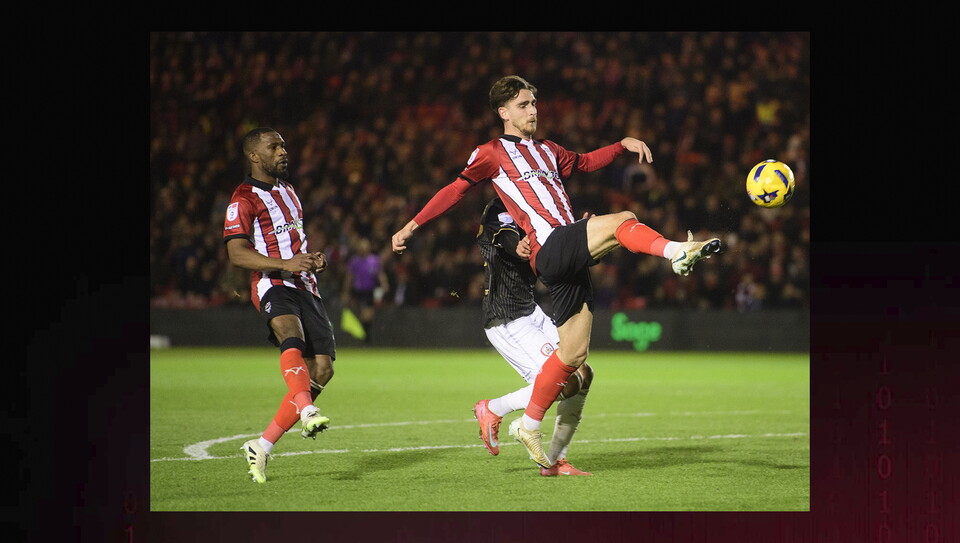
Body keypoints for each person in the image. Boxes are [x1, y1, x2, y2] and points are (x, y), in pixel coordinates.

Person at [392, 75, 720, 469]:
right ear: (503, 112)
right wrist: (411, 225)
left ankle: (543, 444)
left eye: (533, 103)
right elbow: (454, 190)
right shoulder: (492, 152)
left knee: (576, 359)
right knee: (624, 219)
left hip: (568, 260)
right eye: (523, 105)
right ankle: (677, 251)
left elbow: (584, 162)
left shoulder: (549, 150)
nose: (533, 111)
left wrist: (620, 146)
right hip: (549, 248)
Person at [223, 127, 335, 483]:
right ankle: (306, 408)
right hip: (272, 282)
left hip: (305, 285)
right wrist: (286, 265)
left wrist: (311, 259)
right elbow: (237, 254)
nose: (283, 151)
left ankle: (262, 445)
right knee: (291, 333)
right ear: (254, 156)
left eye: (283, 145)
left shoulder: (288, 190)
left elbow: (295, 242)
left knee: (323, 369)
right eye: (274, 147)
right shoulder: (243, 198)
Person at [472, 197, 593, 476]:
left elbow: (558, 245)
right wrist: (519, 244)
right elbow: (505, 236)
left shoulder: (540, 206)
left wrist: (580, 231)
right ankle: (493, 408)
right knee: (566, 383)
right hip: (507, 319)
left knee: (583, 374)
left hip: (530, 311)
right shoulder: (498, 208)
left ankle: (555, 461)